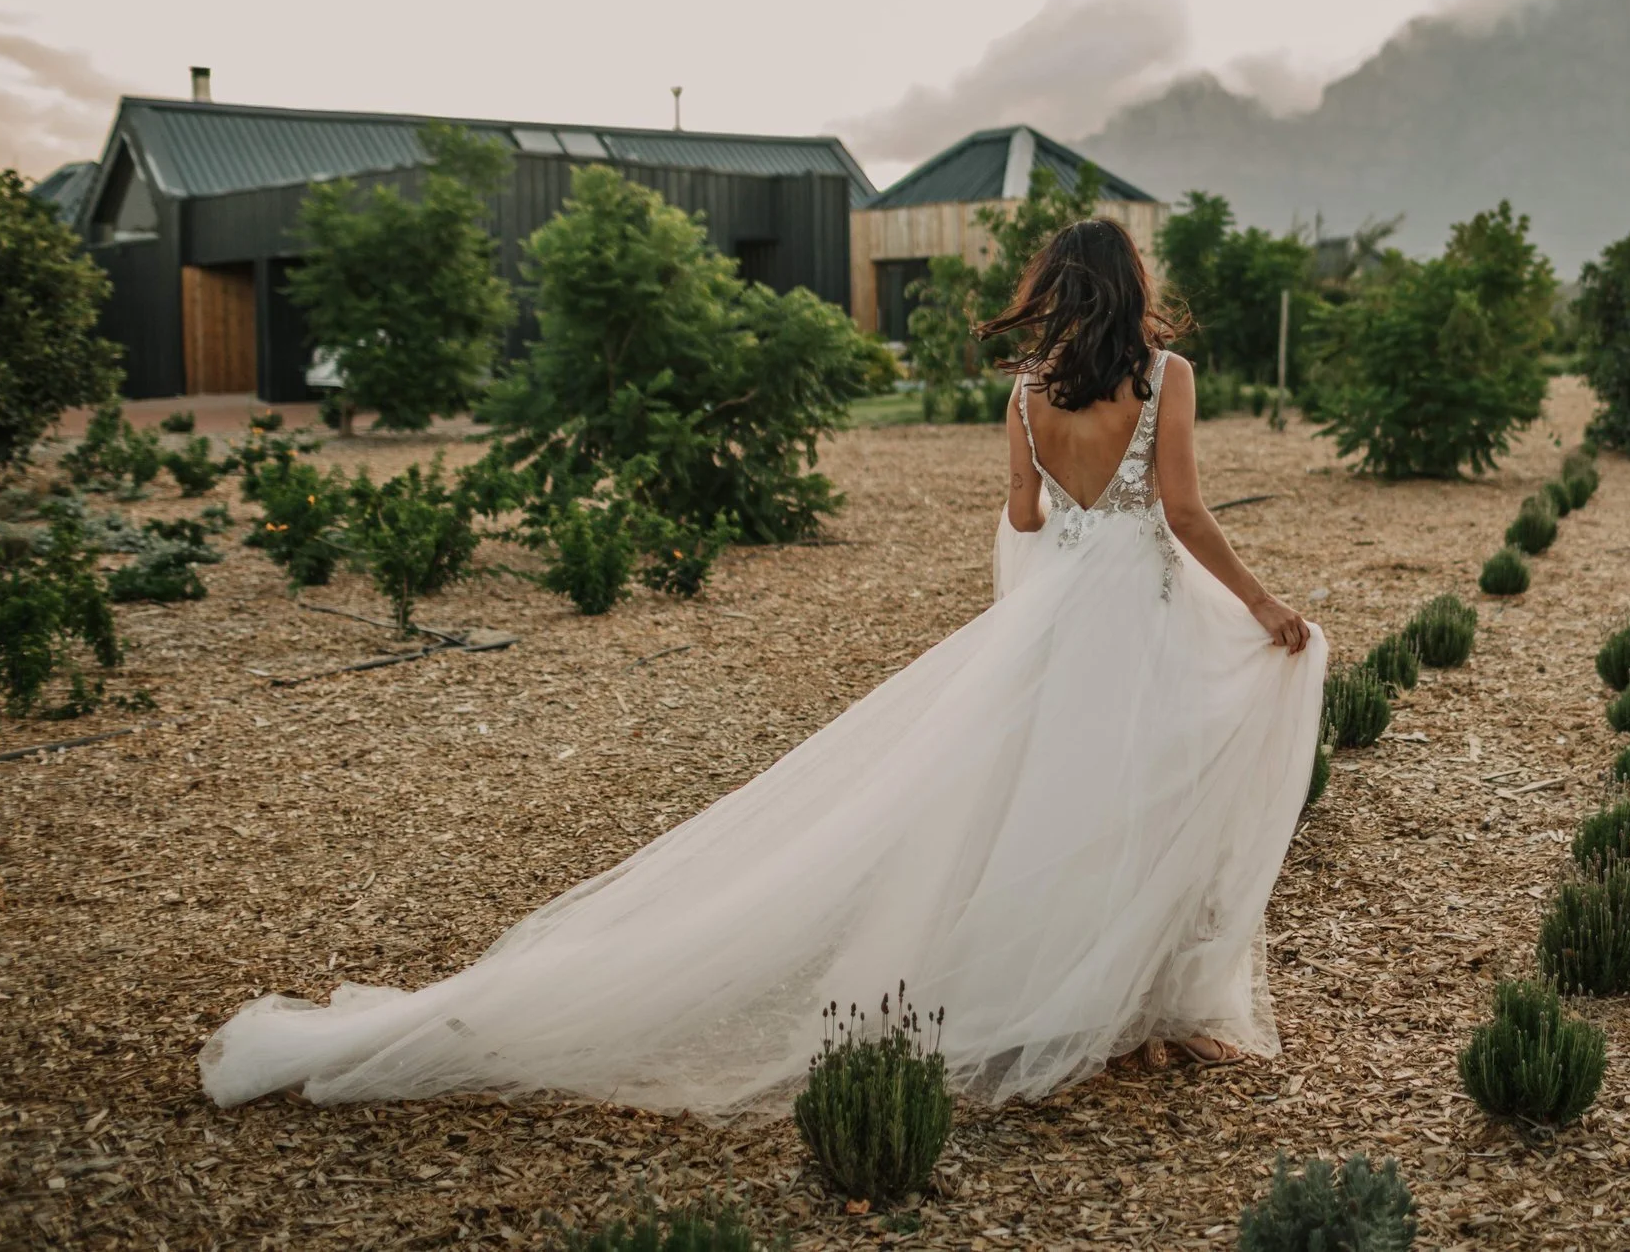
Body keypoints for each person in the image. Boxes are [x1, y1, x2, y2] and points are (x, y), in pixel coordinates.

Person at [198, 216, 1326, 1118]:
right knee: (1138, 800)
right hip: (1137, 613)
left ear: (1052, 290)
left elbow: (1025, 514)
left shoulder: (1027, 389)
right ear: (1130, 288)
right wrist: (1266, 603)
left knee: (1038, 806)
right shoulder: (1164, 375)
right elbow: (1179, 510)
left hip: (1060, 622)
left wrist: (1059, 537)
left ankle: (1077, 1012)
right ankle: (1131, 1011)